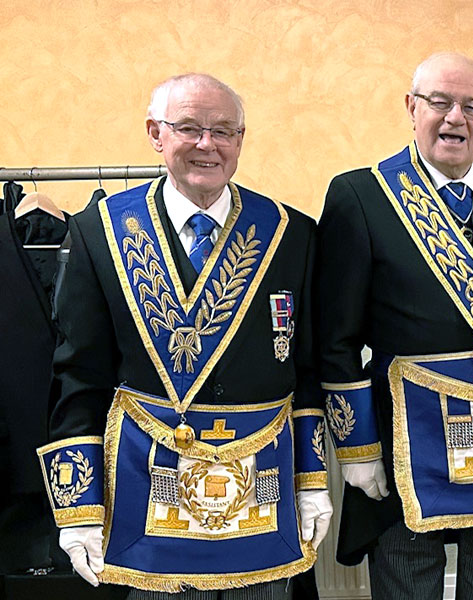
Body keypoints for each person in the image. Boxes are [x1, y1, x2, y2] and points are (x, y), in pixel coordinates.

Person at [39, 73, 331, 597]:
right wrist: (77, 508)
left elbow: (305, 371)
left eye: (223, 131)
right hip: (147, 495)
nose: (207, 145)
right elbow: (79, 374)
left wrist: (312, 481)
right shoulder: (99, 231)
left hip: (262, 495)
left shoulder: (291, 233)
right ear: (155, 133)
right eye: (189, 128)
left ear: (241, 140)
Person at [315, 52, 473, 599]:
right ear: (412, 108)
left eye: (472, 107)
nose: (455, 118)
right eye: (440, 102)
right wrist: (359, 453)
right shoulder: (360, 195)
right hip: (406, 446)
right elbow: (334, 338)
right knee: (407, 585)